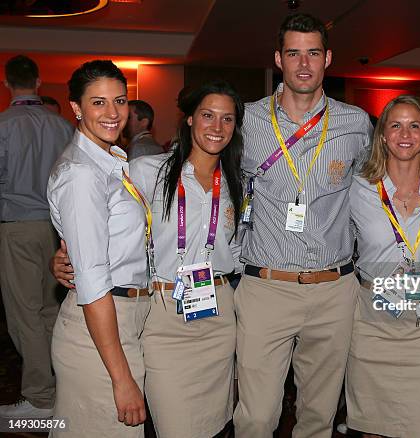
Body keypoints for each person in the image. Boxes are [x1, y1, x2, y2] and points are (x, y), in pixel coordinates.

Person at [232, 13, 372, 438]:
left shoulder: (356, 123)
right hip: (265, 286)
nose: (304, 64)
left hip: (333, 289)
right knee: (256, 418)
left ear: (328, 58)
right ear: (279, 59)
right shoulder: (246, 120)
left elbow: (372, 196)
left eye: (313, 53)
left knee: (318, 417)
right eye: (294, 53)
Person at [131, 81, 243, 437]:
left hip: (219, 312)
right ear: (190, 119)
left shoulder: (238, 183)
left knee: (214, 425)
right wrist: (66, 251)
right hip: (164, 314)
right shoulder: (150, 171)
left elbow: (242, 248)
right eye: (208, 115)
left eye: (227, 119)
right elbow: (107, 225)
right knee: (175, 425)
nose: (217, 127)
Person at [47, 60, 150, 437]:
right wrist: (121, 378)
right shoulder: (82, 174)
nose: (113, 113)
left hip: (122, 320)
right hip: (101, 331)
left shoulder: (111, 161)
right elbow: (91, 282)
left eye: (120, 101)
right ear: (76, 108)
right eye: (98, 103)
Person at [345, 95, 420, 437]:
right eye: (395, 125)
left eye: (414, 125)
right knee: (373, 419)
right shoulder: (358, 187)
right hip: (372, 316)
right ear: (382, 135)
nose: (404, 133)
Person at [0, 55, 73, 419]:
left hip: (16, 226)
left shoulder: (3, 125)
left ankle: (40, 396)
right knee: (51, 310)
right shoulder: (62, 126)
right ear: (39, 81)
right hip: (57, 228)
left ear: (6, 83)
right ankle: (59, 387)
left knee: (24, 313)